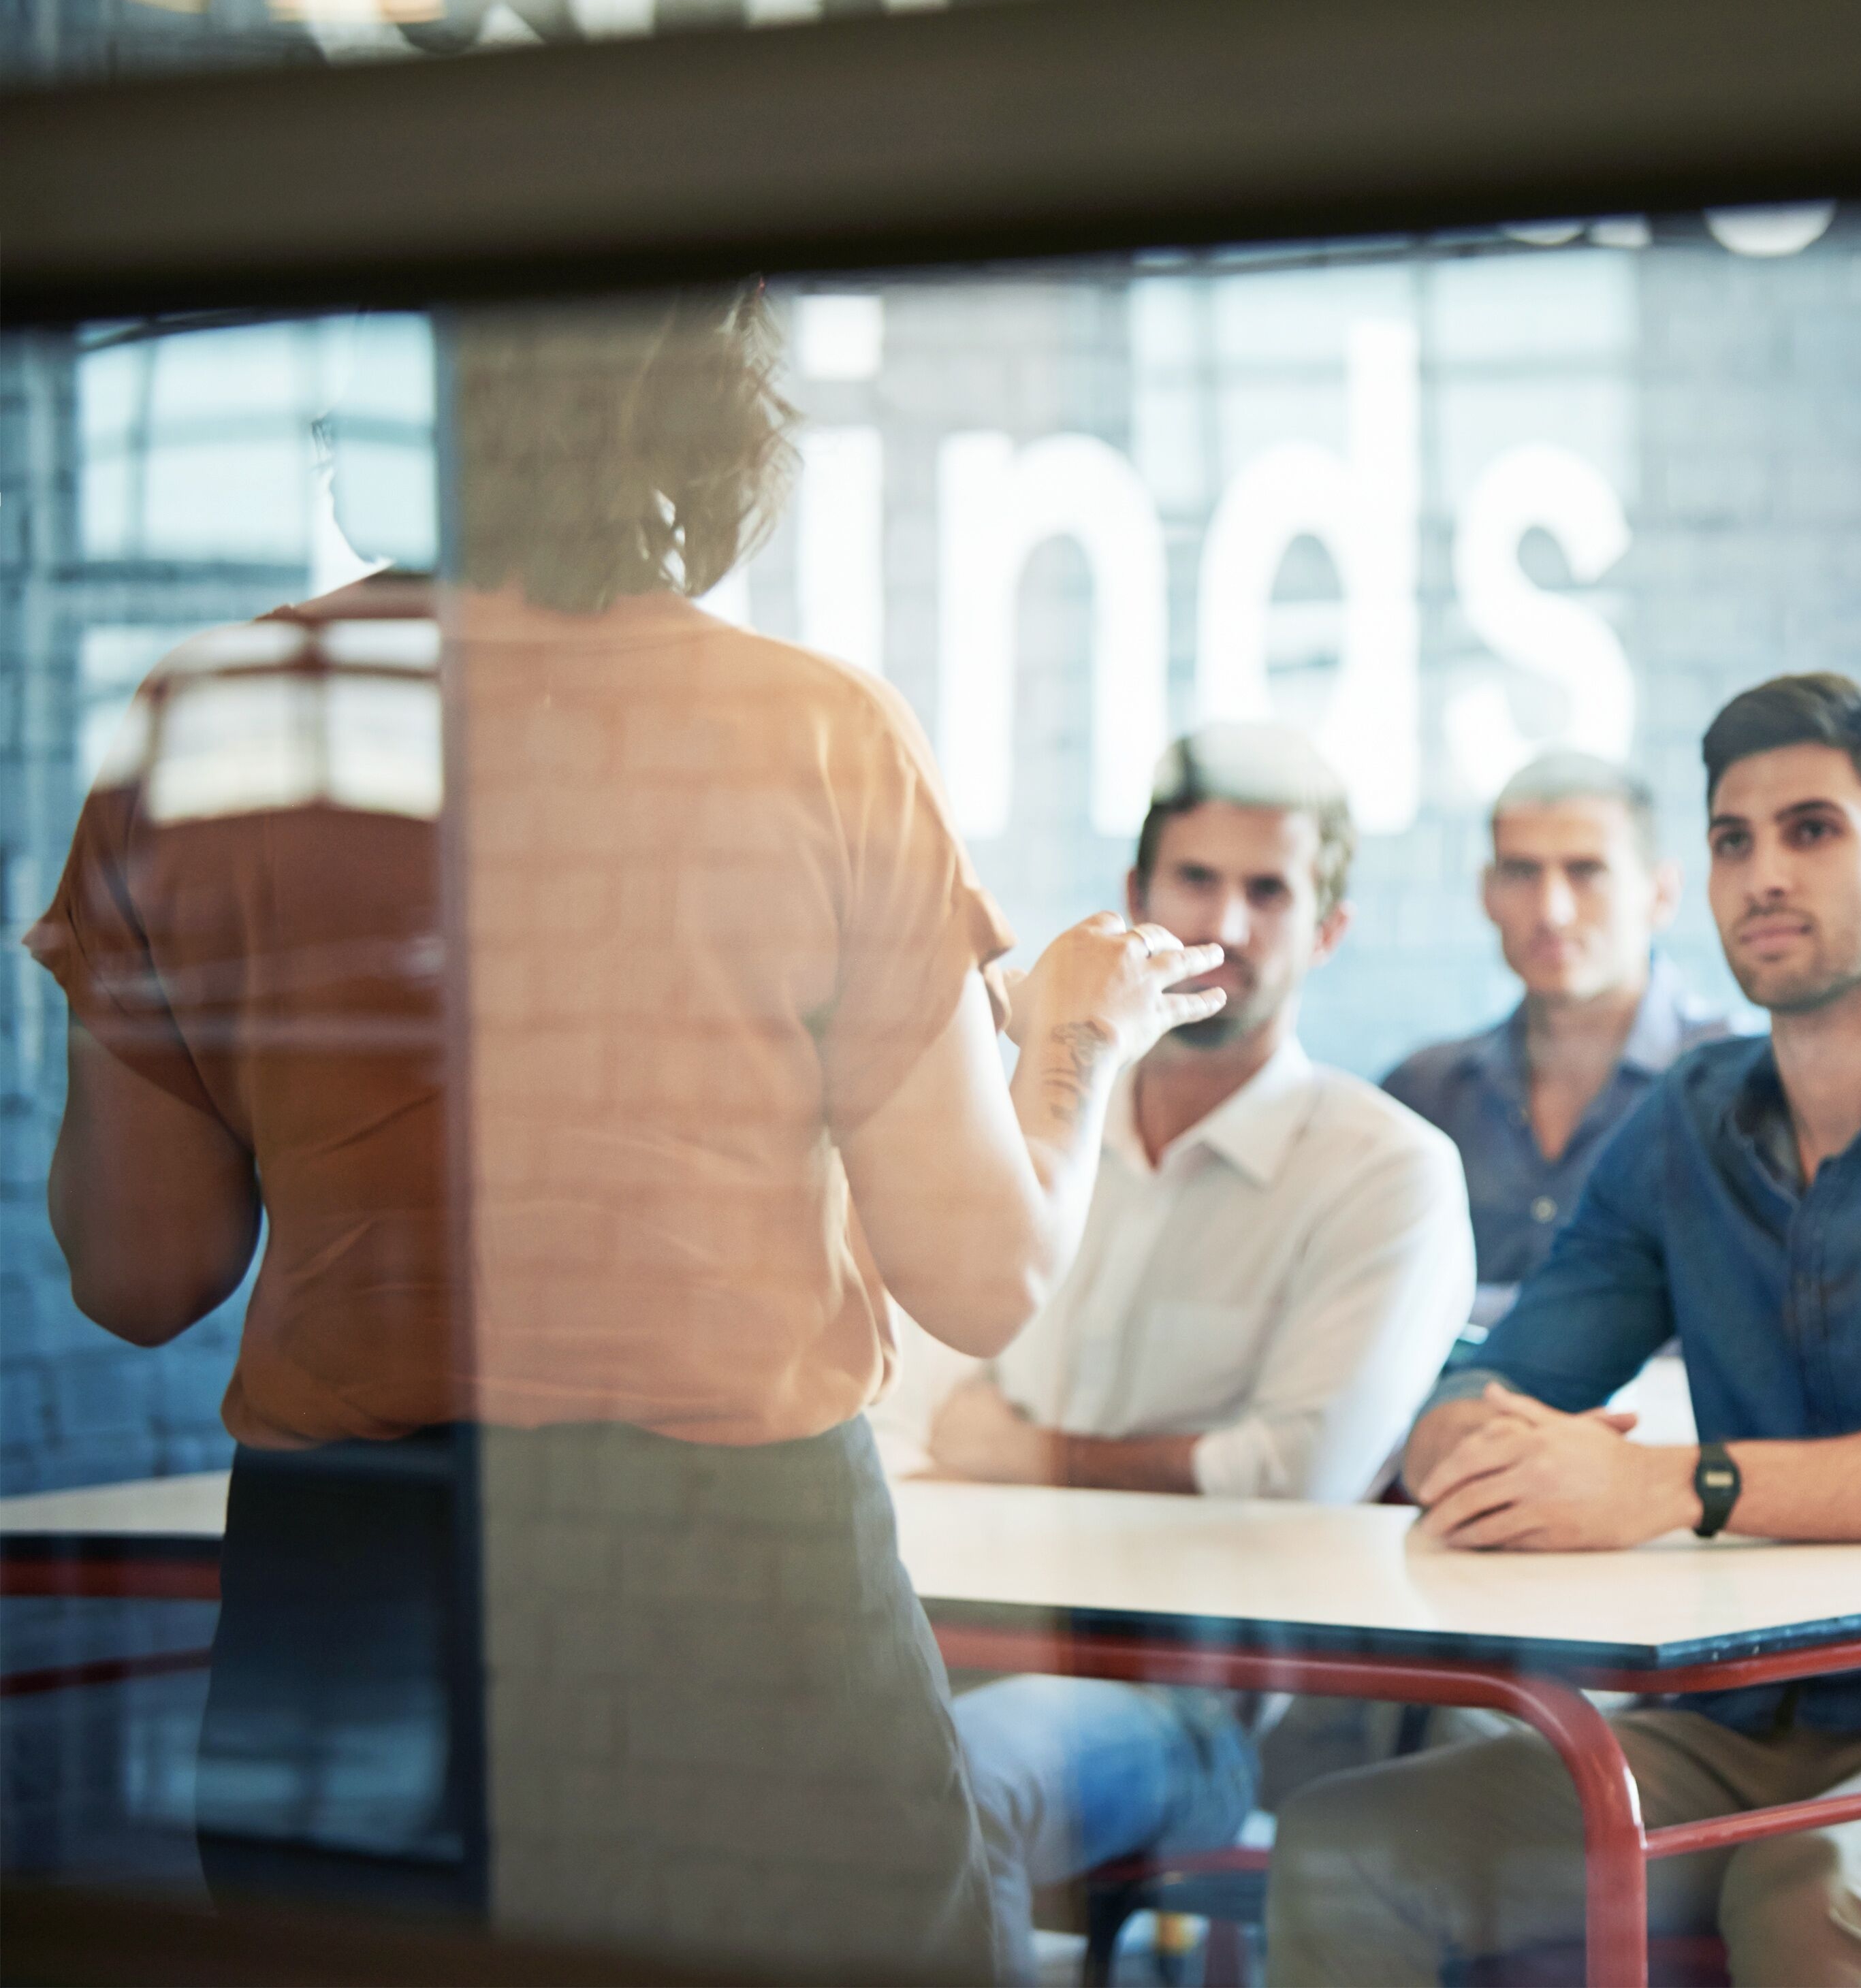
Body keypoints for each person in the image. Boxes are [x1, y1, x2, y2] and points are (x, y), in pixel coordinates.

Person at [27, 287, 1225, 1979]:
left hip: (349, 1582)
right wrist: (1081, 1039)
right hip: (734, 1588)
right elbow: (983, 1270)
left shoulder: (205, 728)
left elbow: (140, 1272)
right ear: (698, 414)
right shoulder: (816, 735)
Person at [1264, 672, 1861, 1988]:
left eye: (1811, 831)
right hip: (1742, 1718)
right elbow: (1481, 1396)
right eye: (1730, 839)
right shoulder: (1690, 1120)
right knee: (1344, 1843)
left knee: (1815, 1889)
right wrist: (1487, 1447)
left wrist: (1662, 1486)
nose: (1762, 873)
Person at [880, 722, 1475, 1981]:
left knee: (949, 1782)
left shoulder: (1387, 1174)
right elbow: (913, 1408)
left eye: (1271, 893)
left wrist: (1024, 1451)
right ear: (1134, 904)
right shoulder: (1031, 1136)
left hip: (1196, 1715)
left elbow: (1292, 1477)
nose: (1230, 924)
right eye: (1196, 883)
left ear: (1326, 931)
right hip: (944, 1640)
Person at [1383, 750, 1743, 1322]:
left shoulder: (1742, 1085)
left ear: (1661, 892)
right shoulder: (1422, 1095)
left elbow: (1743, 1316)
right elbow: (1365, 1303)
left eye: (1586, 872)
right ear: (1486, 894)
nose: (1551, 910)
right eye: (1521, 873)